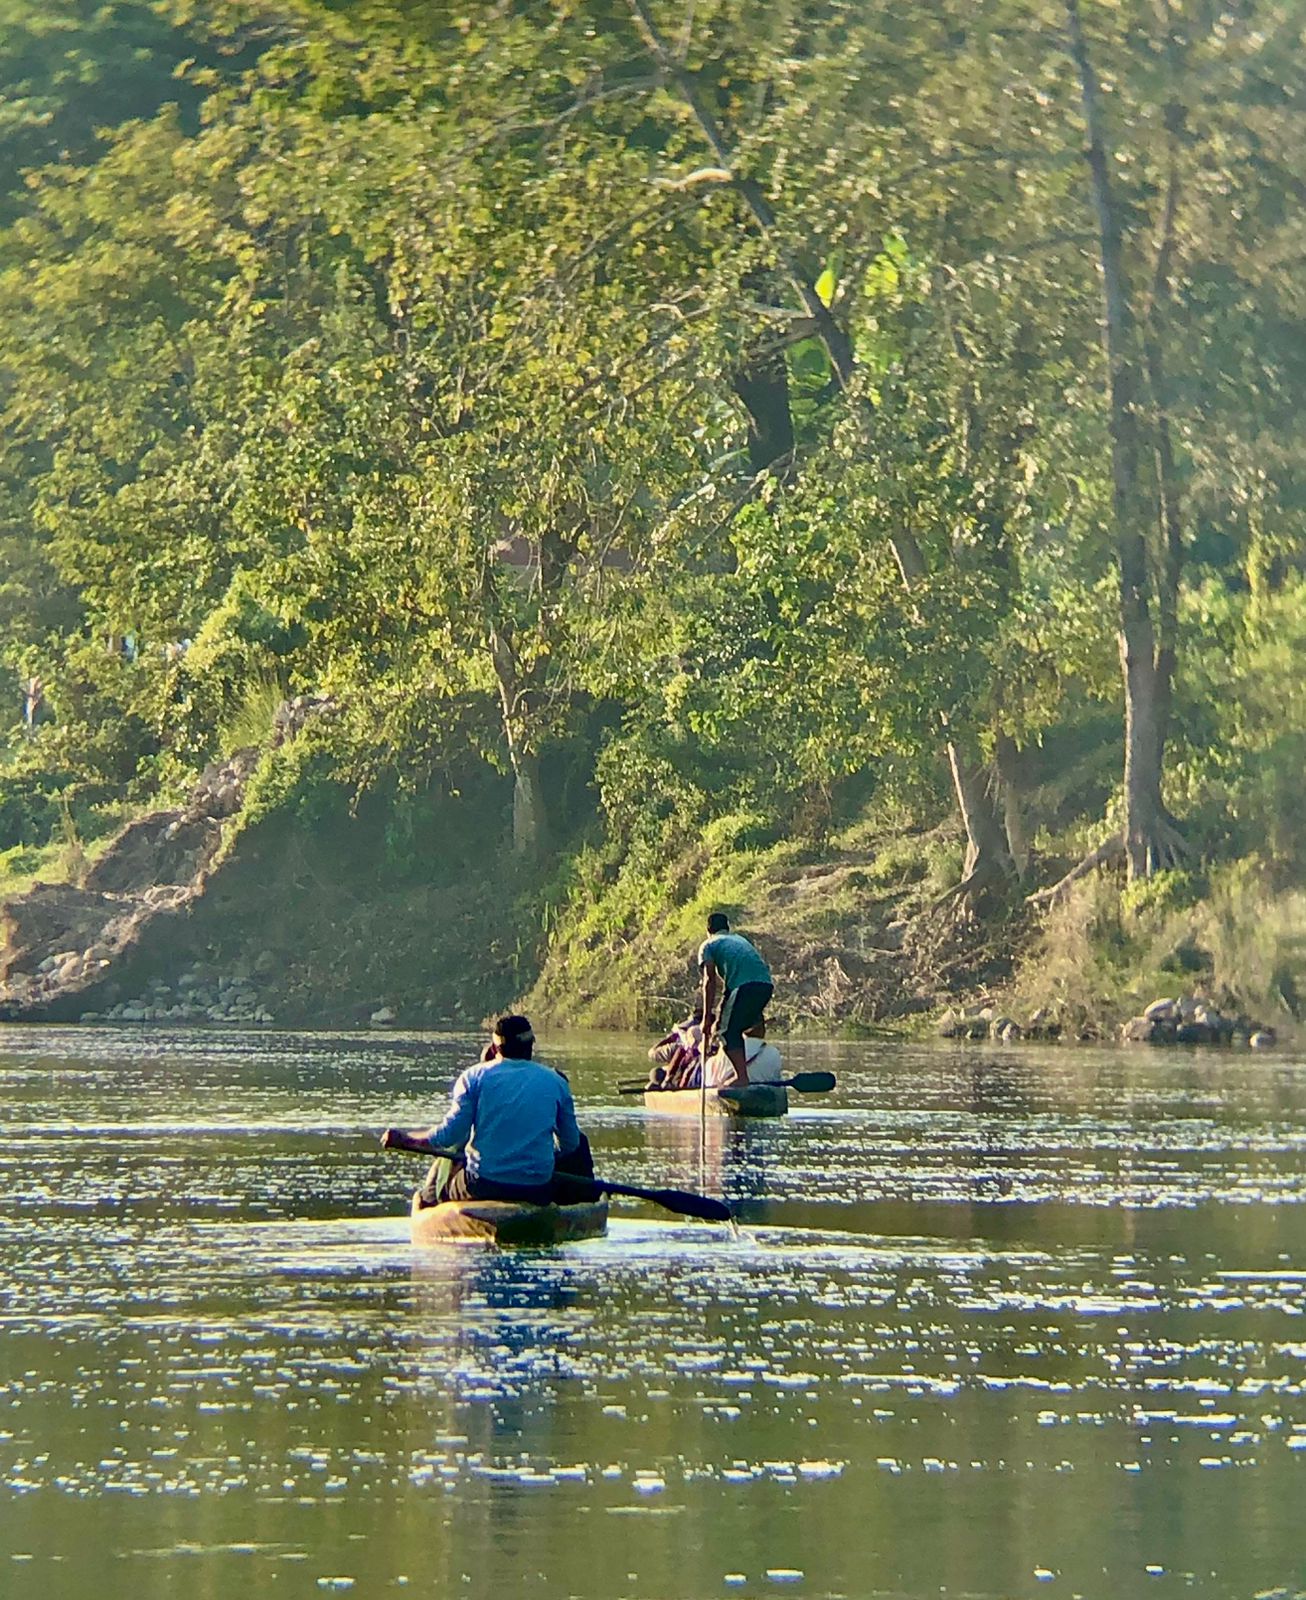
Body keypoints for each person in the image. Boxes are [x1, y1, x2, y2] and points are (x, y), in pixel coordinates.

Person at [381, 1014, 592, 1206]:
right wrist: (538, 1160)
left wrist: (407, 1139)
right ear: (531, 1046)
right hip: (536, 1187)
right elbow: (570, 1143)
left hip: (482, 1184)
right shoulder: (556, 1082)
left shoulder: (473, 1077)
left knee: (447, 1169)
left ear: (495, 1048)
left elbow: (448, 1137)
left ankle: (428, 1202)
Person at [698, 911, 774, 1084]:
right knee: (742, 1025)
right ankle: (751, 1072)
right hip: (765, 985)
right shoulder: (740, 939)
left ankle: (742, 1077)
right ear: (728, 928)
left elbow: (709, 981)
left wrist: (706, 1019)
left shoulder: (708, 945)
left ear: (708, 930)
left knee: (726, 1032)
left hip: (743, 986)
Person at [703, 1019, 783, 1088]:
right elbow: (776, 1082)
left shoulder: (717, 1058)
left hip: (726, 1098)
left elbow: (710, 1086)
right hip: (761, 1099)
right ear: (761, 1029)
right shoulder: (773, 1052)